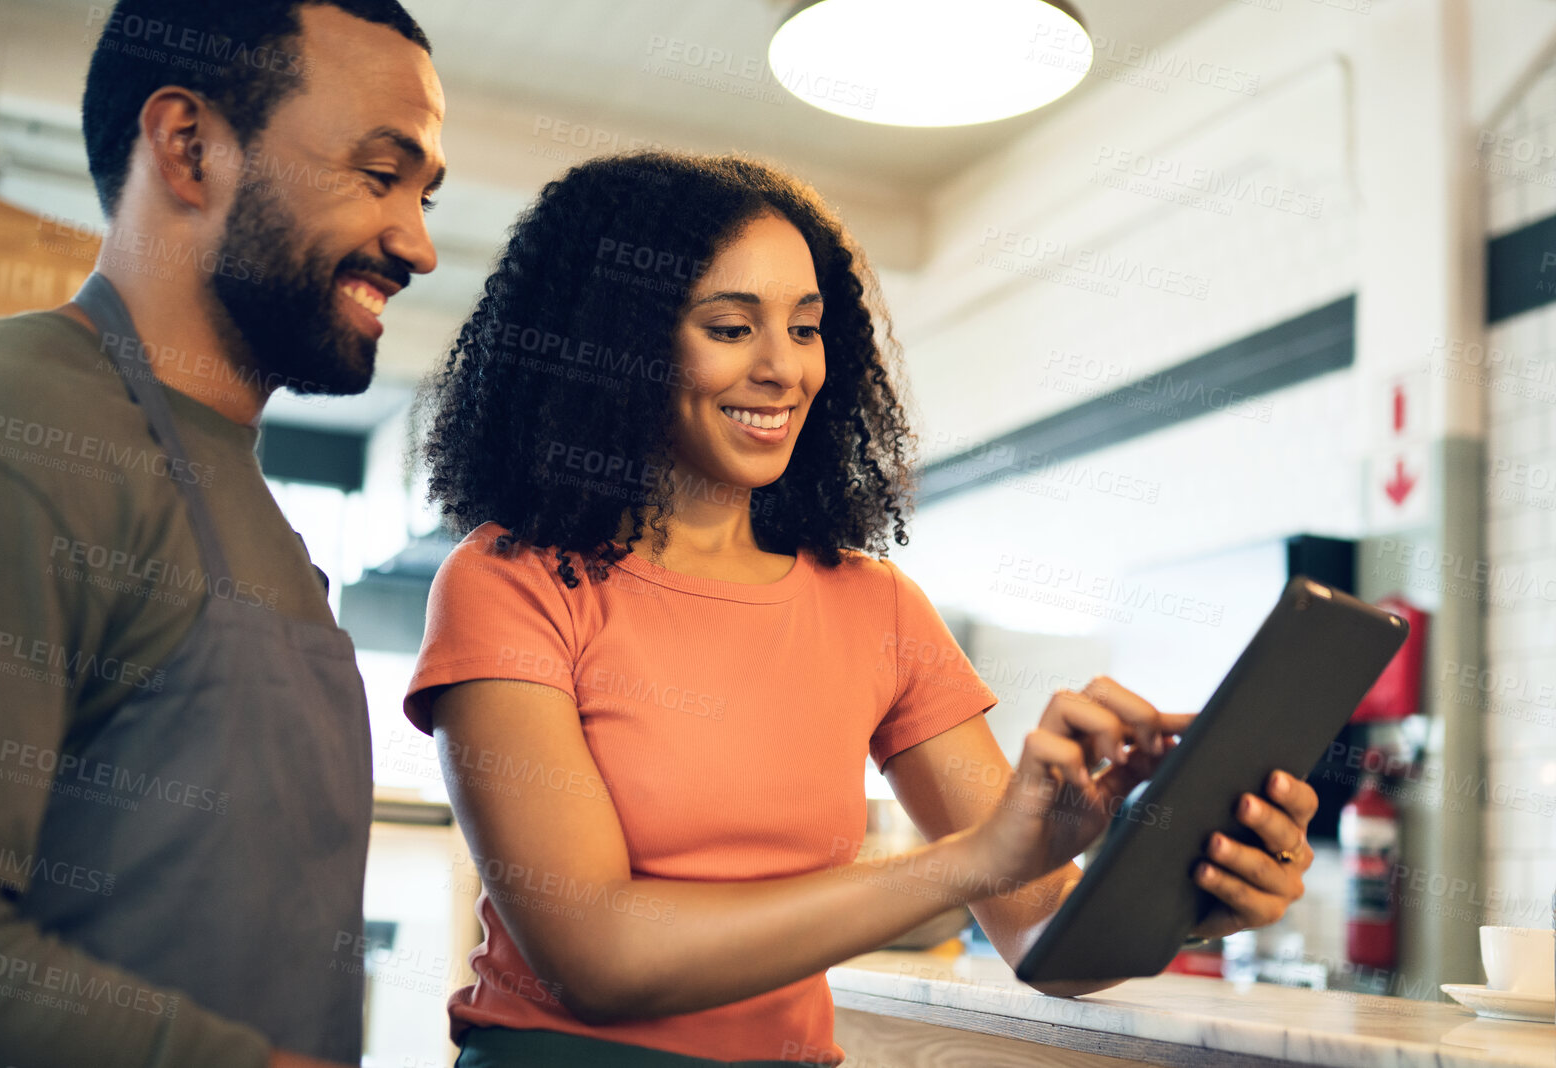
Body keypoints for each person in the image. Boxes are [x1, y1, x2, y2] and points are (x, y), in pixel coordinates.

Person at [405, 152, 1319, 1066]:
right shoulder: (511, 582)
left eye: (806, 329)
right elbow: (597, 959)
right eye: (730, 327)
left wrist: (1185, 892)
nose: (783, 369)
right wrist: (974, 859)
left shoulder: (874, 607)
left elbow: (1042, 937)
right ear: (616, 343)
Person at [0, 2, 443, 1065]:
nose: (420, 244)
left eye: (425, 194)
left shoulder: (252, 511)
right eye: (379, 174)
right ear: (188, 146)